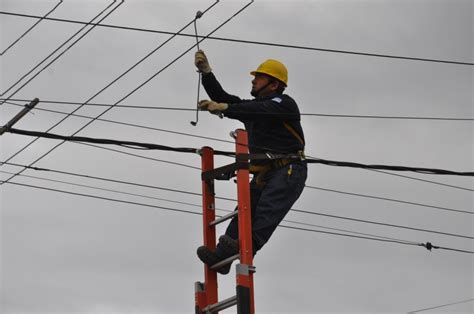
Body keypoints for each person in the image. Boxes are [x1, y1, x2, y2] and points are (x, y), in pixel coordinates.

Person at [195, 50, 307, 274]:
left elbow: (256, 109)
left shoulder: (283, 104)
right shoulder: (255, 109)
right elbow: (227, 99)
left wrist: (226, 109)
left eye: (259, 77)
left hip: (288, 169)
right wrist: (206, 73)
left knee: (267, 211)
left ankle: (248, 247)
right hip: (265, 173)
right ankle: (223, 256)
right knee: (243, 211)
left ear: (274, 84)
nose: (254, 80)